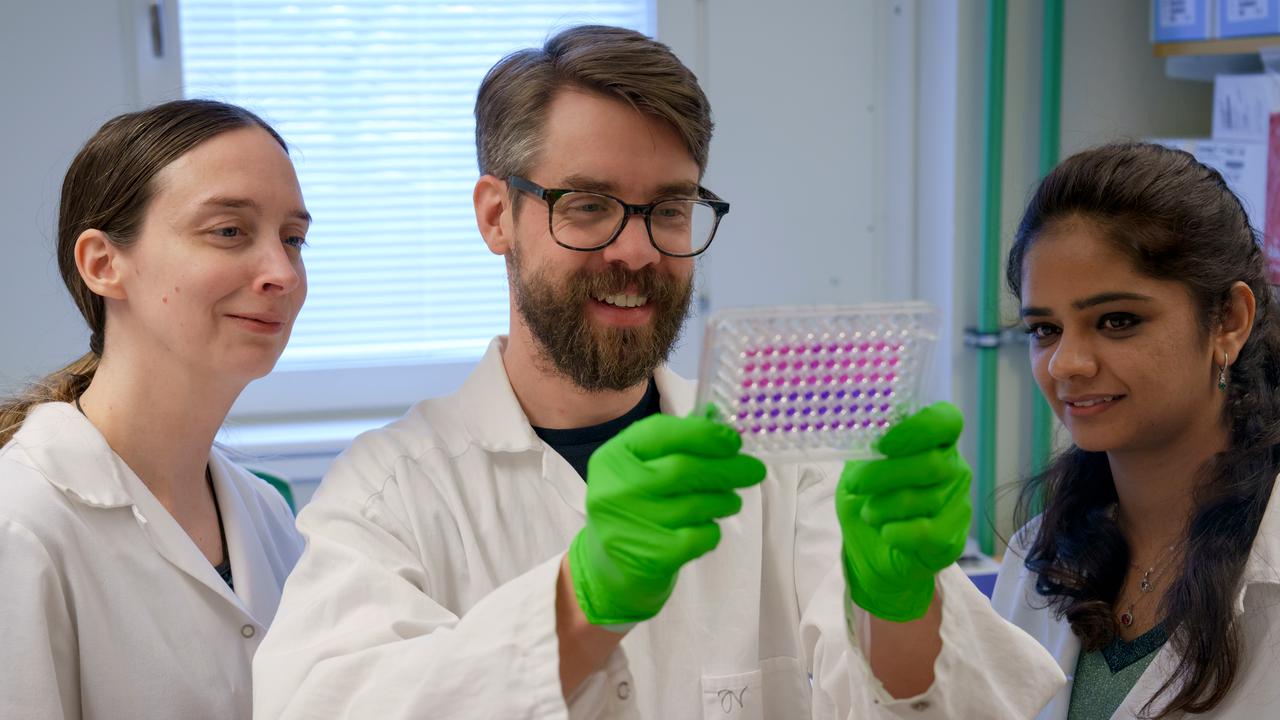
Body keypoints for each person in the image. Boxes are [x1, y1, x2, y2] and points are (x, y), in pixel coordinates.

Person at [254, 25, 1062, 718]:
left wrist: (902, 603)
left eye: (669, 209)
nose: (635, 251)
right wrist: (580, 604)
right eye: (589, 205)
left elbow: (942, 705)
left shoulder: (790, 468)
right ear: (498, 216)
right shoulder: (390, 491)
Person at [0, 99, 309, 719]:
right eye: (229, 231)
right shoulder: (21, 525)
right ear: (103, 263)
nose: (281, 271)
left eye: (294, 239)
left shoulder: (266, 514)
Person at [993, 141, 1280, 718]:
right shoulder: (1038, 554)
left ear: (1229, 321)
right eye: (1045, 329)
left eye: (1116, 321)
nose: (1066, 364)